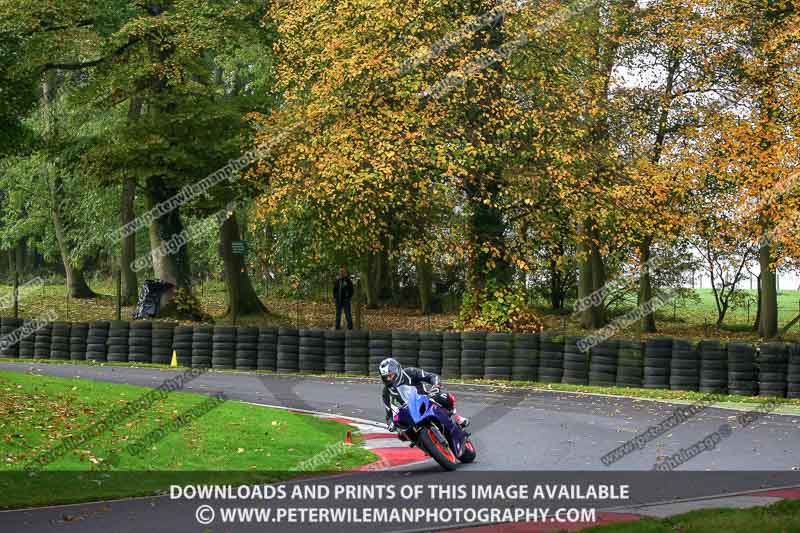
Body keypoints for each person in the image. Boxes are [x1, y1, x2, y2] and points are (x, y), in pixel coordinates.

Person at [378, 357, 469, 433]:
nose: (389, 379)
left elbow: (432, 377)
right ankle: (425, 445)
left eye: (391, 375)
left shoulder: (410, 372)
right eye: (386, 377)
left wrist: (436, 386)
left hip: (425, 400)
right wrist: (391, 424)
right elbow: (389, 413)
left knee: (442, 397)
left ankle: (456, 417)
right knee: (402, 432)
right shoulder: (386, 392)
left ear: (397, 370)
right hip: (409, 412)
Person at [333, 265, 354, 330]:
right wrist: (335, 298)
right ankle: (337, 327)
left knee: (348, 314)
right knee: (338, 314)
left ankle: (350, 327)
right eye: (340, 272)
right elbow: (334, 290)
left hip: (346, 301)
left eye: (343, 272)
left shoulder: (348, 281)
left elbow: (352, 291)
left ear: (346, 273)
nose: (341, 273)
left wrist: (348, 297)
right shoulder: (337, 281)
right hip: (338, 300)